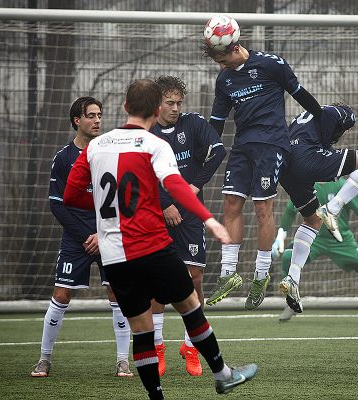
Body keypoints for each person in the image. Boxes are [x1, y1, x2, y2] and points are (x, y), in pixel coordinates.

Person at [63, 79, 257, 399]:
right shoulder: (154, 144)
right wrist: (209, 219)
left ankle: (156, 396)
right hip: (151, 246)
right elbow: (177, 186)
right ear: (156, 111)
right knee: (190, 306)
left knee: (141, 329)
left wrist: (112, 206)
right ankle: (223, 374)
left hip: (114, 254)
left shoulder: (97, 146)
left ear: (125, 107)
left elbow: (71, 195)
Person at [202, 18, 325, 310]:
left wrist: (323, 120)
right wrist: (203, 150)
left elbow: (302, 95)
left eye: (222, 60)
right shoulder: (224, 80)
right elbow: (216, 122)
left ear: (235, 48)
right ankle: (228, 274)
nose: (221, 66)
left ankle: (260, 275)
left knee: (262, 208)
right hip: (242, 146)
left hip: (272, 145)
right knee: (231, 203)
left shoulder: (271, 64)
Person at [31, 97, 133, 378]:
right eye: (91, 115)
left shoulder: (110, 153)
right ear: (77, 120)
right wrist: (86, 235)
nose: (97, 120)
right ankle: (44, 359)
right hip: (76, 237)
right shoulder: (64, 158)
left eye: (99, 115)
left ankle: (123, 361)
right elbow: (56, 204)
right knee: (62, 294)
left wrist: (101, 233)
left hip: (109, 234)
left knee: (117, 293)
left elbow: (122, 201)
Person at [150, 76, 226, 377]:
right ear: (156, 104)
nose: (175, 108)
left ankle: (191, 347)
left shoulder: (193, 123)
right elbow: (141, 173)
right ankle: (157, 348)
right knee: (158, 282)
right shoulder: (146, 132)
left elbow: (218, 151)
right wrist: (164, 204)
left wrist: (195, 185)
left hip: (191, 214)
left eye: (179, 103)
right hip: (157, 214)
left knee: (194, 278)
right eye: (170, 103)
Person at [277, 103, 358, 314]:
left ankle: (292, 279)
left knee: (313, 221)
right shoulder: (337, 112)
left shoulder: (304, 119)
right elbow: (335, 119)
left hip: (287, 168)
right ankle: (332, 208)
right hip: (307, 160)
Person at [273, 179, 358, 323]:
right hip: (314, 237)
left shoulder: (342, 185)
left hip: (342, 241)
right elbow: (290, 211)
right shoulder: (306, 184)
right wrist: (280, 237)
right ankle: (292, 302)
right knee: (288, 257)